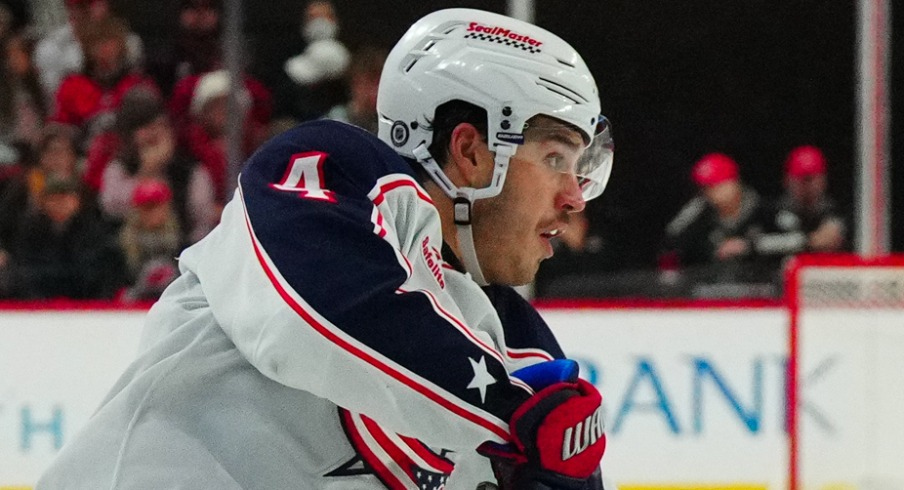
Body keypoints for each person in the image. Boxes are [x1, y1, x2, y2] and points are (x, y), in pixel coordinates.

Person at [37, 8, 614, 490]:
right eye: (555, 158)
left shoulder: (515, 345)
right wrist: (513, 411)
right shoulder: (334, 173)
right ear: (470, 151)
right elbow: (322, 315)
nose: (574, 197)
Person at [99, 87, 217, 245]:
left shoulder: (191, 171)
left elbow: (202, 222)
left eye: (159, 126)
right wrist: (148, 171)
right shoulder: (119, 168)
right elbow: (112, 209)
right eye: (144, 128)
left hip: (181, 254)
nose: (153, 134)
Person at [661, 152, 774, 291]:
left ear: (733, 182)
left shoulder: (764, 211)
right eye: (705, 187)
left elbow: (795, 240)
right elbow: (671, 242)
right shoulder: (700, 214)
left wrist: (749, 245)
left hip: (763, 290)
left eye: (715, 185)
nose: (710, 193)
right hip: (713, 292)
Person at [34, 0, 143, 107]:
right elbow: (54, 98)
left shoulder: (130, 42)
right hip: (77, 115)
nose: (97, 9)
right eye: (82, 6)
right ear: (70, 9)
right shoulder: (51, 48)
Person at [755, 145, 846, 260]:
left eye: (812, 179)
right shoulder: (771, 212)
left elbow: (830, 237)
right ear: (787, 180)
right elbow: (757, 243)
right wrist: (807, 241)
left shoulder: (835, 210)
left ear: (823, 180)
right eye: (801, 179)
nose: (807, 186)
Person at [324, 45, 386, 134]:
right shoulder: (335, 121)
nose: (375, 90)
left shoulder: (389, 124)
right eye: (370, 81)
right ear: (355, 83)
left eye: (379, 83)